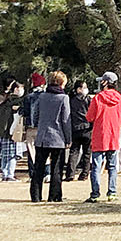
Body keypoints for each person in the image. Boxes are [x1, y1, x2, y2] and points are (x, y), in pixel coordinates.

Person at [28, 70, 72, 203]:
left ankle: (35, 196)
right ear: (61, 83)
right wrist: (68, 138)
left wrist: (39, 125)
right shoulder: (63, 98)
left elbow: (35, 115)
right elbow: (66, 120)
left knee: (38, 168)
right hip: (58, 138)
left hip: (42, 137)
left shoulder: (42, 97)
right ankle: (54, 196)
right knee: (56, 169)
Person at [86, 72, 121, 202]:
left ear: (105, 82)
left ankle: (95, 194)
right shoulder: (120, 99)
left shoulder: (98, 98)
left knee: (96, 166)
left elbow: (90, 117)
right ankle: (112, 192)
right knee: (112, 166)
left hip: (99, 136)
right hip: (113, 136)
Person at [0, 81, 24, 181]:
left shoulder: (5, 101)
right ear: (16, 89)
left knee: (4, 155)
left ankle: (5, 173)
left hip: (3, 132)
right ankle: (9, 174)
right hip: (12, 131)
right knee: (12, 155)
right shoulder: (16, 102)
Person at [63, 76, 92, 181]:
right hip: (87, 128)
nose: (85, 89)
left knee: (74, 151)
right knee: (87, 153)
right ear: (79, 89)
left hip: (75, 128)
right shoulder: (88, 100)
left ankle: (70, 174)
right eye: (84, 87)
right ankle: (84, 173)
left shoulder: (70, 99)